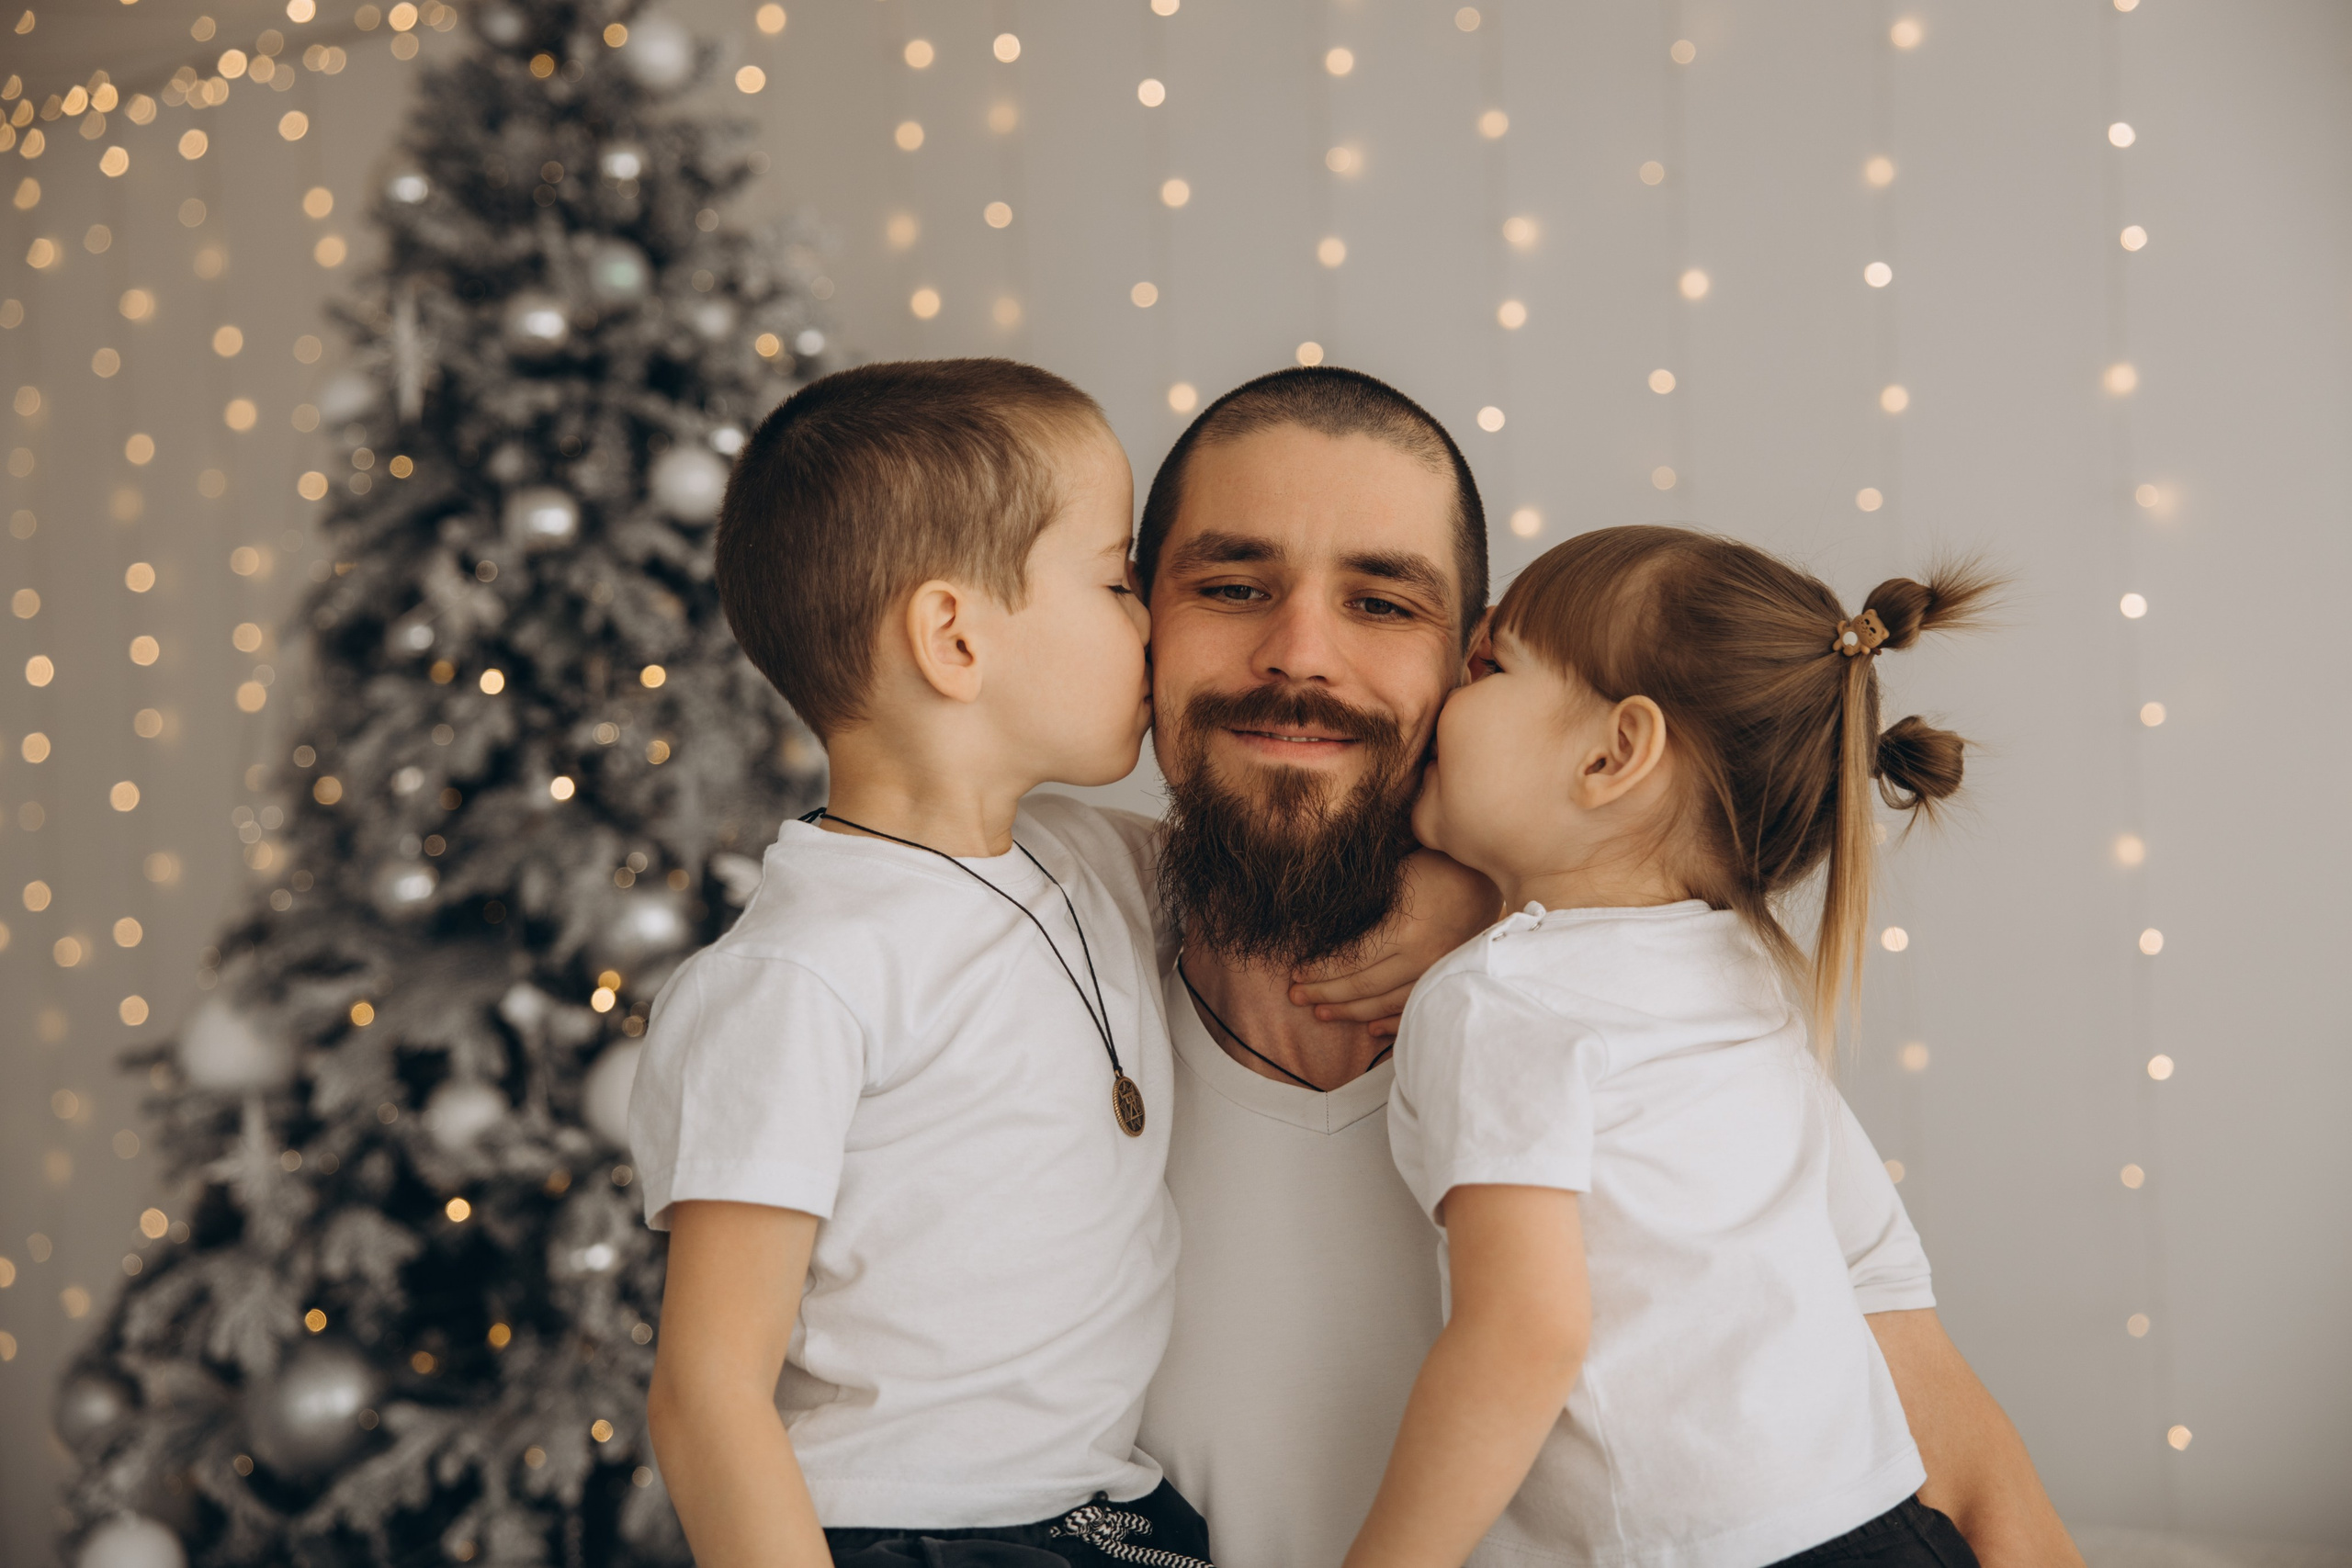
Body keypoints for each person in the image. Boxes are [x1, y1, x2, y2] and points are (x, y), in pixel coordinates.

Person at [1133, 371, 2081, 1568]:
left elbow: (1966, 1459)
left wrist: (1496, 904)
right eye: (1231, 586)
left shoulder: (1634, 1031)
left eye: (1384, 603)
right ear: (1136, 618)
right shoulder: (1042, 944)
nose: (1301, 653)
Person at [1345, 525, 2084, 1568]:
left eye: (1487, 666)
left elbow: (1523, 1338)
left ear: (1612, 754)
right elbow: (1873, 1273)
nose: (1443, 699)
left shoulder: (1493, 1000)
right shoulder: (1742, 974)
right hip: (1888, 1523)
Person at [630, 358, 1212, 1568]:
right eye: (1116, 579)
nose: (1154, 620)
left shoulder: (1096, 865)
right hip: (915, 1529)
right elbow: (706, 1393)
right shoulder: (799, 977)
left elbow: (1302, 885)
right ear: (953, 635)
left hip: (1113, 1516)